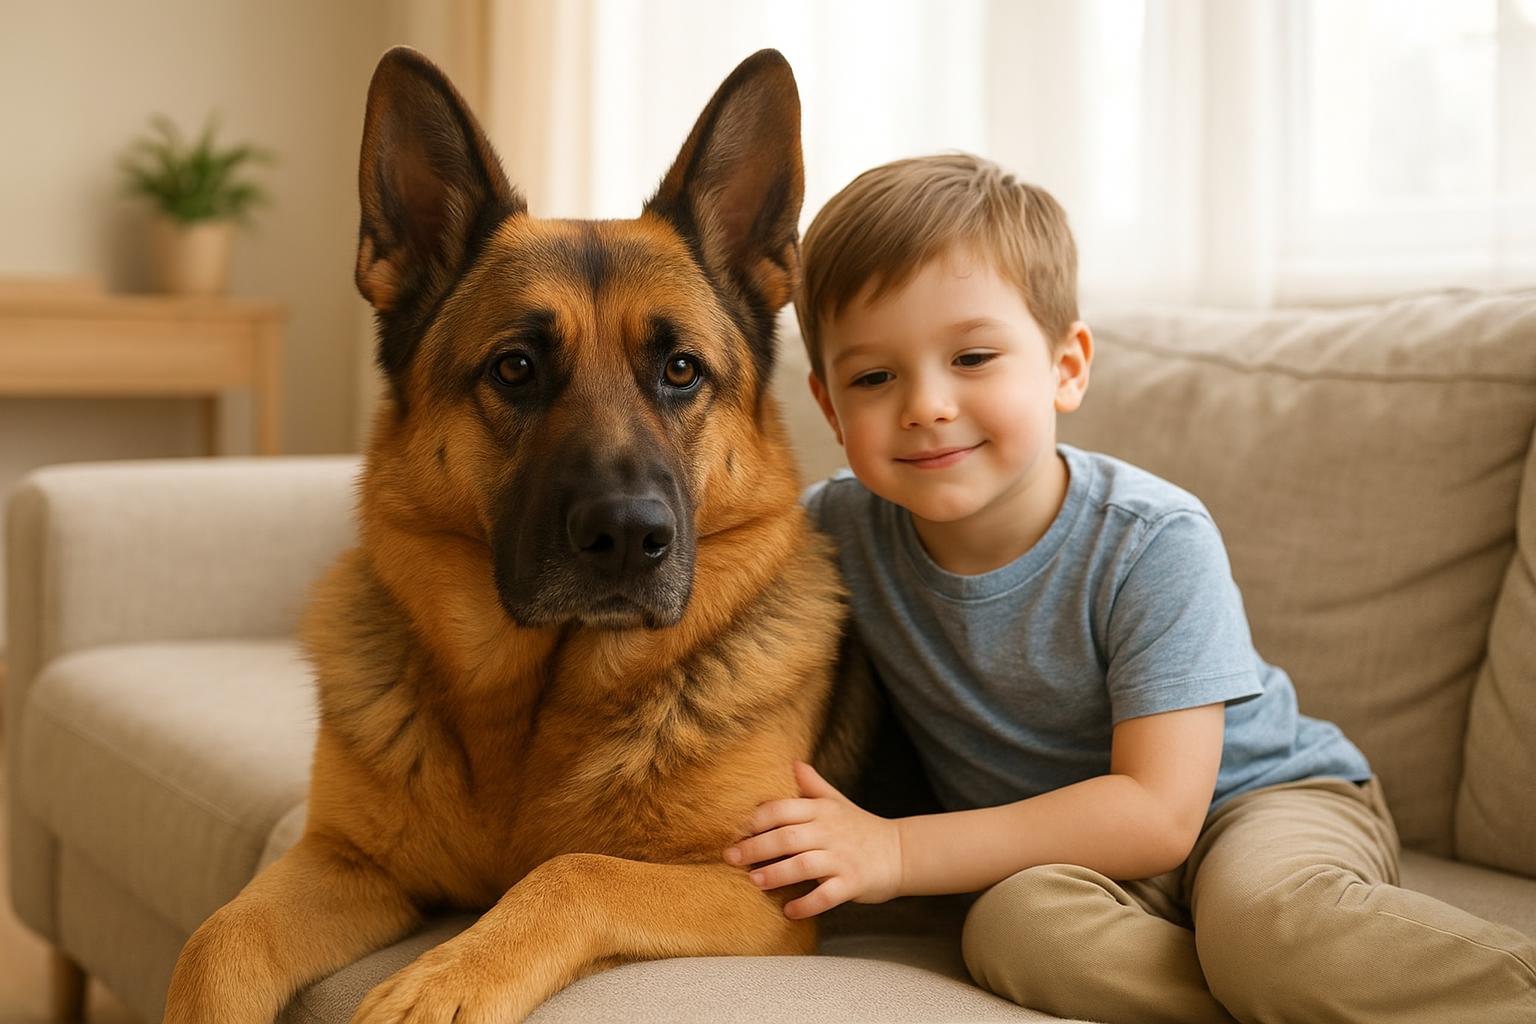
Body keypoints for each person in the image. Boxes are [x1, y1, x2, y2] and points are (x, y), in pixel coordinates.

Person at [721, 152, 1536, 1023]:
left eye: (972, 356)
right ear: (831, 409)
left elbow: (1156, 813)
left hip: (1255, 805)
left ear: (1067, 366)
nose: (925, 404)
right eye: (875, 377)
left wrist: (893, 851)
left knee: (1265, 926)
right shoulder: (838, 533)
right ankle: (1269, 996)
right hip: (1083, 867)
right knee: (1014, 931)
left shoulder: (1153, 540)